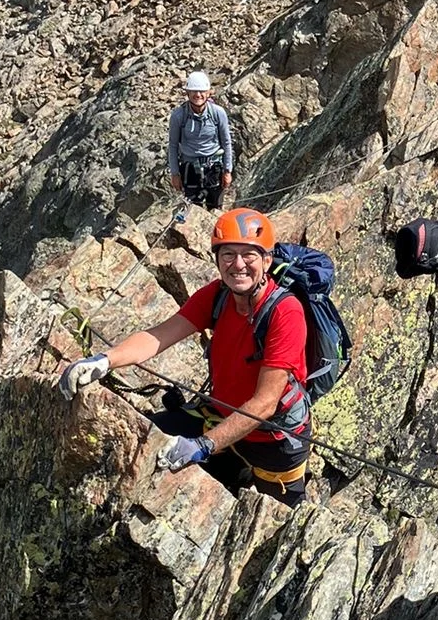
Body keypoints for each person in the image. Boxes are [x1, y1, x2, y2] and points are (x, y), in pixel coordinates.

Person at [57, 206, 310, 505]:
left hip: (272, 441)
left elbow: (265, 403)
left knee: (279, 523)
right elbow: (158, 336)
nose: (238, 264)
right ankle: (234, 472)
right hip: (220, 417)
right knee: (152, 438)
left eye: (249, 255)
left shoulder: (285, 312)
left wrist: (205, 444)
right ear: (216, 260)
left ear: (266, 261)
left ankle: (238, 471)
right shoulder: (218, 296)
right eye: (228, 254)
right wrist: (105, 360)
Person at [166, 70, 234, 210]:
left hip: (214, 169)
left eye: (202, 91)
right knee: (192, 210)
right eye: (194, 91)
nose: (198, 95)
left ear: (208, 92)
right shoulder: (179, 116)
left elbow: (226, 142)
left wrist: (227, 171)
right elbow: (173, 145)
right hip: (190, 170)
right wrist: (174, 174)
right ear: (188, 93)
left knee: (215, 209)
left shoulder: (218, 113)